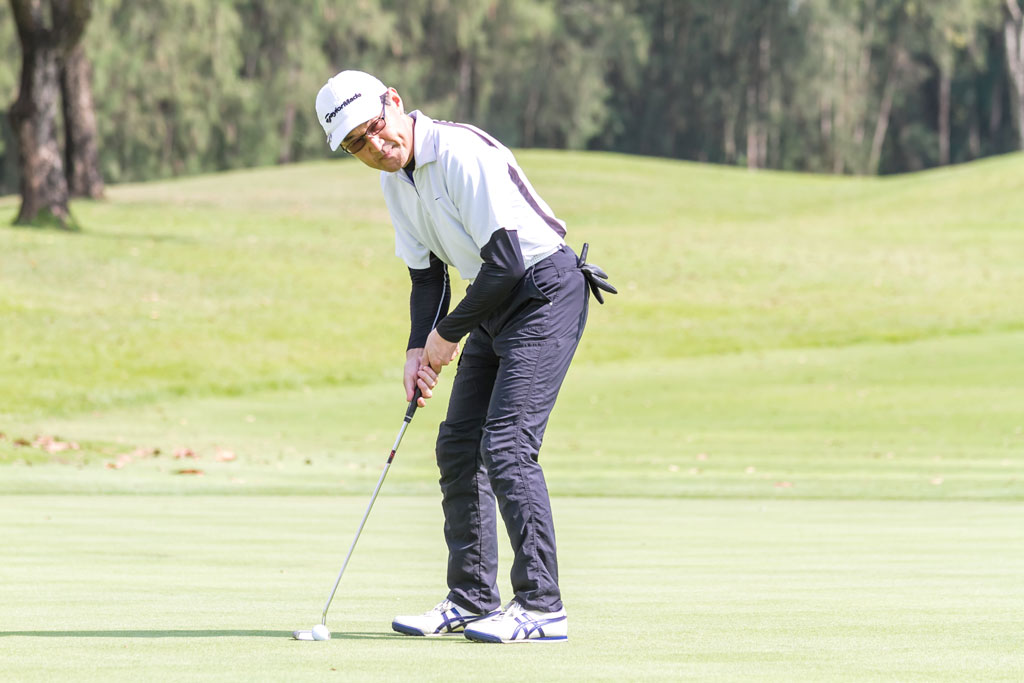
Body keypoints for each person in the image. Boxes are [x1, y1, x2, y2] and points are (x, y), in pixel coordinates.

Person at [314, 70, 614, 644]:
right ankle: (472, 597)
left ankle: (542, 607)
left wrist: (446, 337)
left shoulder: (458, 152)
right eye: (355, 144)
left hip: (544, 291)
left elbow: (505, 262)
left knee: (506, 445)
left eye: (373, 127)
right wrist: (416, 349)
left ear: (394, 102)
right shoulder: (396, 184)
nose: (374, 146)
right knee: (458, 444)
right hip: (493, 300)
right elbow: (427, 278)